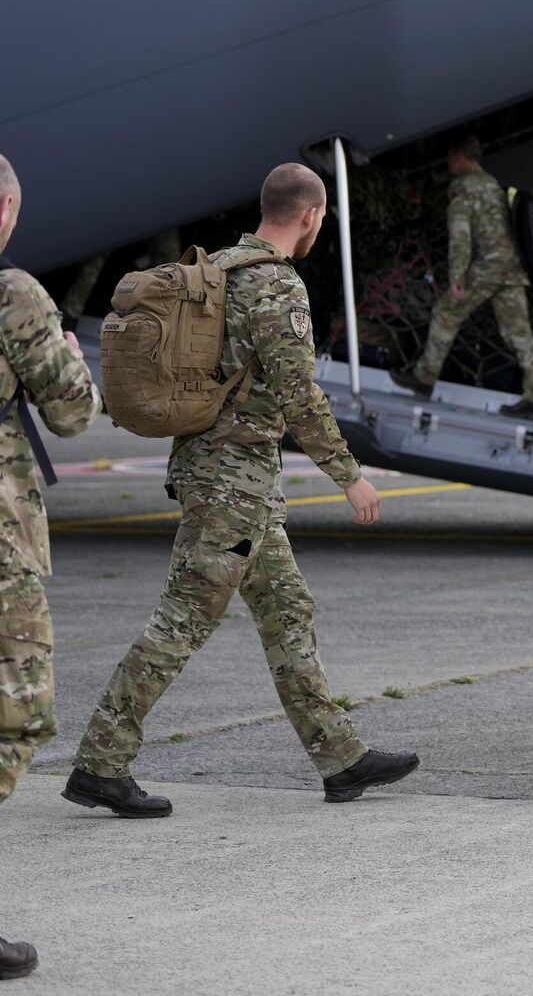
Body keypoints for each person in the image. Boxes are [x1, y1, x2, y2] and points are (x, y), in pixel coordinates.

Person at [68, 163, 417, 816]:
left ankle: (339, 756)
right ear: (310, 216)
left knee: (288, 610)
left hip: (229, 477)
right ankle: (101, 762)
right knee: (182, 622)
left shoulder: (221, 268)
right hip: (233, 487)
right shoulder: (275, 285)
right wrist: (351, 476)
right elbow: (298, 391)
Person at [0, 152, 100, 981]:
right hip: (1, 547)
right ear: (4, 210)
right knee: (18, 716)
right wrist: (68, 352)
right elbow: (70, 414)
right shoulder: (14, 295)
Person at [389, 137, 533, 421]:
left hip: (487, 268)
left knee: (445, 312)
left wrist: (457, 277)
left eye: (450, 157)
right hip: (510, 269)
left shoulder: (464, 189)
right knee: (519, 334)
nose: (449, 164)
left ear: (461, 156)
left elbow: (460, 237)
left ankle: (424, 379)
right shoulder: (493, 184)